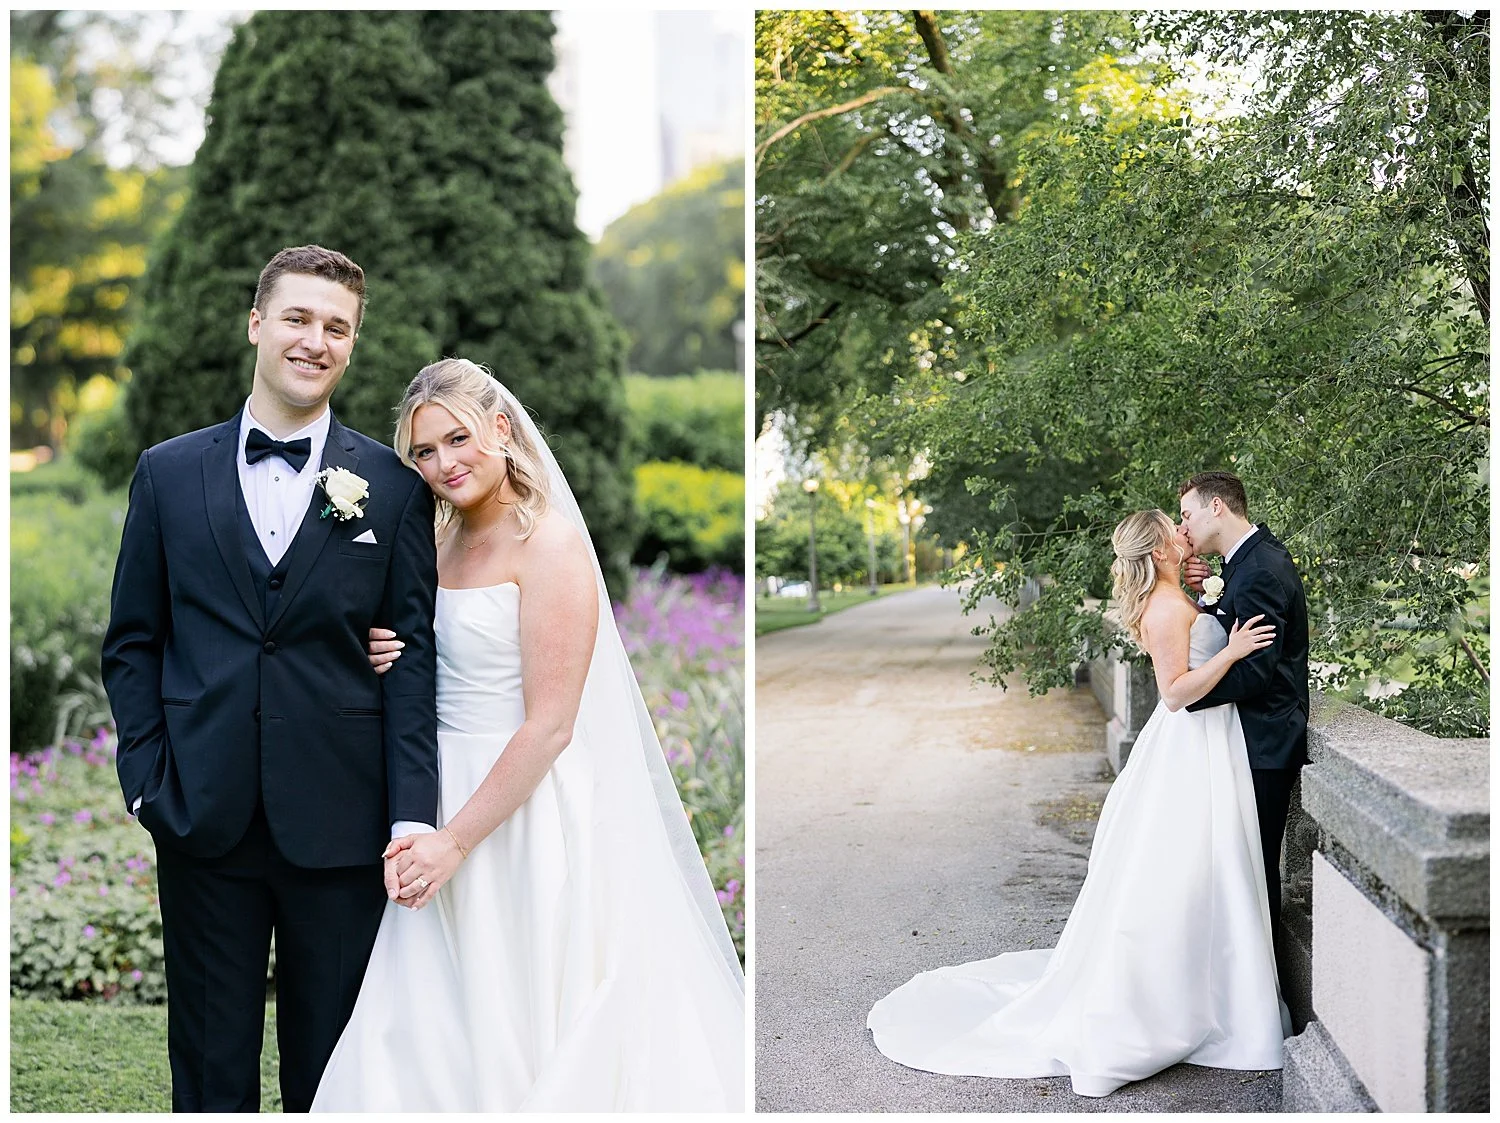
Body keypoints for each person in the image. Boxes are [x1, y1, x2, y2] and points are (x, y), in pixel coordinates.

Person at [312, 358, 745, 1111]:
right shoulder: (433, 540)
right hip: (432, 790)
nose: (443, 463)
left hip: (518, 812)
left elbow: (549, 727)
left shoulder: (548, 545)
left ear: (502, 430)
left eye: (458, 439)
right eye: (424, 451)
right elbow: (423, 656)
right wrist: (384, 649)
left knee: (524, 1002)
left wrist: (455, 841)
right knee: (425, 1017)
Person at [101, 245, 440, 1112]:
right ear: (257, 324)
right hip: (200, 814)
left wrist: (410, 814)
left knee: (330, 1074)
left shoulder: (392, 490)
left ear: (353, 345)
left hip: (341, 820)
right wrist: (145, 782)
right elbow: (132, 642)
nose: (315, 340)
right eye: (298, 317)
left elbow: (410, 656)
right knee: (209, 1067)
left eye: (337, 327)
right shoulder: (167, 474)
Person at [867, 508, 1289, 1097]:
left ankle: (1210, 986)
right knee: (1185, 869)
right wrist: (1232, 650)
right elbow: (1172, 694)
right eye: (1175, 528)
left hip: (1206, 746)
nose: (1183, 530)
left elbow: (1190, 635)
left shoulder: (1173, 596)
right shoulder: (1166, 608)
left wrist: (1204, 598)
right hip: (1190, 742)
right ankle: (1180, 1001)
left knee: (1202, 869)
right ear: (1162, 548)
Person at [1178, 470, 1310, 933]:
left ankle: (1261, 989)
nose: (1185, 527)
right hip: (1252, 738)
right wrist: (1207, 594)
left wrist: (1186, 690)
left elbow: (1256, 673)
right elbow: (1233, 630)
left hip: (1263, 742)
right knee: (1238, 871)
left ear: (1217, 507)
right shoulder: (1248, 560)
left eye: (1187, 514)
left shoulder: (1256, 569)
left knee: (1252, 872)